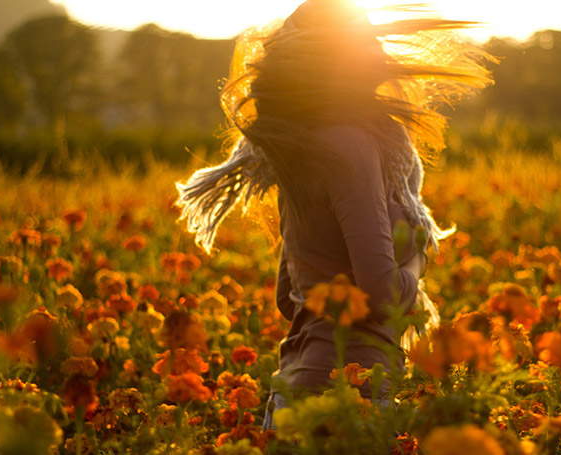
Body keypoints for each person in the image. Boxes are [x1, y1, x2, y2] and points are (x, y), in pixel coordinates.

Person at [174, 0, 491, 433]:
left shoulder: (300, 147)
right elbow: (382, 294)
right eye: (367, 42)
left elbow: (290, 298)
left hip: (292, 389)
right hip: (348, 394)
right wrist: (417, 256)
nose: (379, 52)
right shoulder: (351, 145)